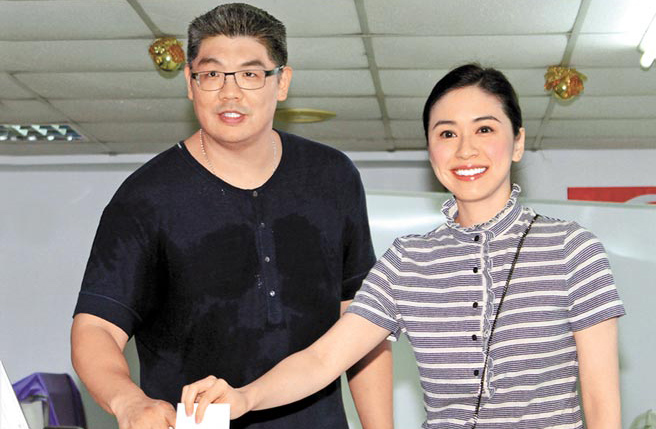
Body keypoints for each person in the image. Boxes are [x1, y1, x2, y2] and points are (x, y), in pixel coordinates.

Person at [181, 64, 626, 429]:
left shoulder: (573, 249)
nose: (465, 150)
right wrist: (245, 397)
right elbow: (322, 359)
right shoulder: (408, 260)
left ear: (518, 143)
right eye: (447, 134)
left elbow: (600, 399)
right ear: (431, 150)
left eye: (485, 129)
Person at [70, 3, 393, 429]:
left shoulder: (332, 177)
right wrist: (127, 401)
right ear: (190, 82)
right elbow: (96, 328)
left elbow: (361, 322)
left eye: (250, 74)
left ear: (282, 82)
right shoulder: (145, 197)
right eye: (212, 74)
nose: (230, 93)